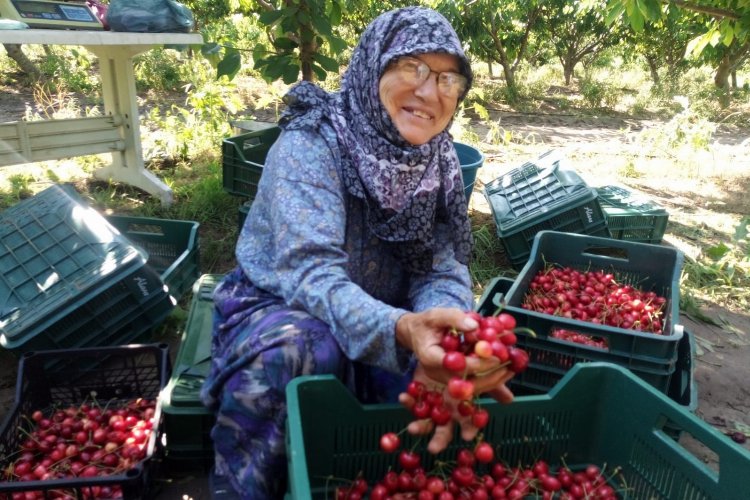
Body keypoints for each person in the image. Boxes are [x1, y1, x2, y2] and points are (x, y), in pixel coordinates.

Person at [201, 6, 515, 499]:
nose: (430, 92)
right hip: (284, 307)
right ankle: (247, 486)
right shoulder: (313, 142)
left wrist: (447, 328)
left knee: (441, 375)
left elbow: (439, 265)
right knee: (302, 352)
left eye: (449, 79)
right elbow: (310, 275)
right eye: (413, 68)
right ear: (375, 66)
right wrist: (400, 329)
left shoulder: (438, 159)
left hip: (388, 317)